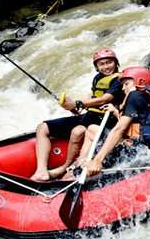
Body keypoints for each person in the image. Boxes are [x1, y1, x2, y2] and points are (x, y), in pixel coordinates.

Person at [30, 48, 123, 181]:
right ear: (96, 67)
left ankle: (68, 168)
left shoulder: (118, 80)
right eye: (101, 64)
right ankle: (41, 171)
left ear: (116, 63)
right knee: (42, 127)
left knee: (78, 131)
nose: (106, 66)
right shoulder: (98, 78)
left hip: (104, 120)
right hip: (89, 116)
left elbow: (105, 99)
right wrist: (74, 108)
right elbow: (94, 100)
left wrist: (79, 104)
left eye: (109, 62)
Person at [78, 67, 150, 176]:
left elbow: (119, 130)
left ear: (140, 82)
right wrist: (116, 112)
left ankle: (79, 168)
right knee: (93, 129)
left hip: (135, 152)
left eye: (126, 84)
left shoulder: (135, 95)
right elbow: (139, 121)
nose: (123, 88)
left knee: (91, 131)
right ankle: (82, 165)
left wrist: (98, 161)